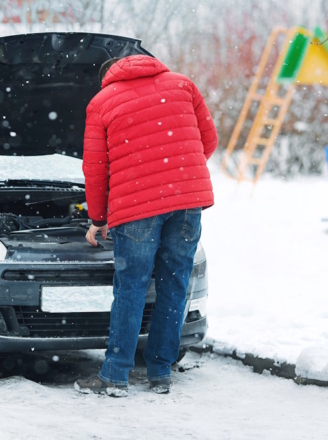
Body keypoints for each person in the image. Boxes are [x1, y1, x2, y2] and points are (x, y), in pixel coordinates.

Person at [74, 55, 217, 396]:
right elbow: (207, 141)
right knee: (173, 284)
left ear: (107, 77)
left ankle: (115, 375)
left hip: (136, 208)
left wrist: (97, 219)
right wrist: (176, 178)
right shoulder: (182, 85)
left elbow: (95, 170)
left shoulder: (102, 102)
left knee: (131, 288)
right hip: (187, 202)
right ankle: (160, 373)